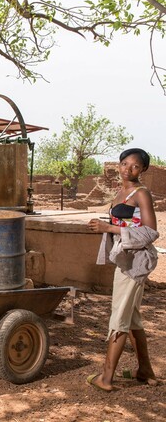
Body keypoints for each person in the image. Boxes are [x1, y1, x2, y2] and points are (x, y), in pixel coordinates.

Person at [86, 148, 159, 391]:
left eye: (135, 166)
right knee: (133, 317)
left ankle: (106, 378)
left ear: (143, 170)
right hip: (124, 259)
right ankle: (145, 370)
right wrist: (107, 226)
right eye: (124, 163)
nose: (128, 169)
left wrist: (110, 230)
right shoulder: (121, 192)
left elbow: (150, 232)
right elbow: (125, 223)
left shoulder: (141, 194)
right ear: (118, 165)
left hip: (135, 263)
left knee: (119, 318)